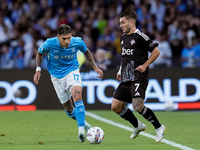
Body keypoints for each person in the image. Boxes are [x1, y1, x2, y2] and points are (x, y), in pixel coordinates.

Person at [33, 24, 103, 142]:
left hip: (72, 71)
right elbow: (39, 53)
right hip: (56, 76)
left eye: (69, 38)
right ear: (58, 37)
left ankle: (81, 131)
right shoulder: (49, 43)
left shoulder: (78, 42)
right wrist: (38, 70)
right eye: (64, 38)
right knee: (69, 109)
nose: (67, 41)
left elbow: (87, 52)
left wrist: (95, 67)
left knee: (77, 95)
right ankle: (85, 125)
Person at [111, 11, 166, 143]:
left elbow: (156, 51)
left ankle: (159, 127)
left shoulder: (141, 37)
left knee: (137, 105)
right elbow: (125, 57)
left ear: (131, 22)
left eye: (123, 22)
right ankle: (137, 125)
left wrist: (145, 65)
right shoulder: (123, 37)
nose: (120, 25)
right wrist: (120, 70)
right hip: (125, 77)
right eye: (120, 23)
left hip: (138, 77)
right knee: (115, 107)